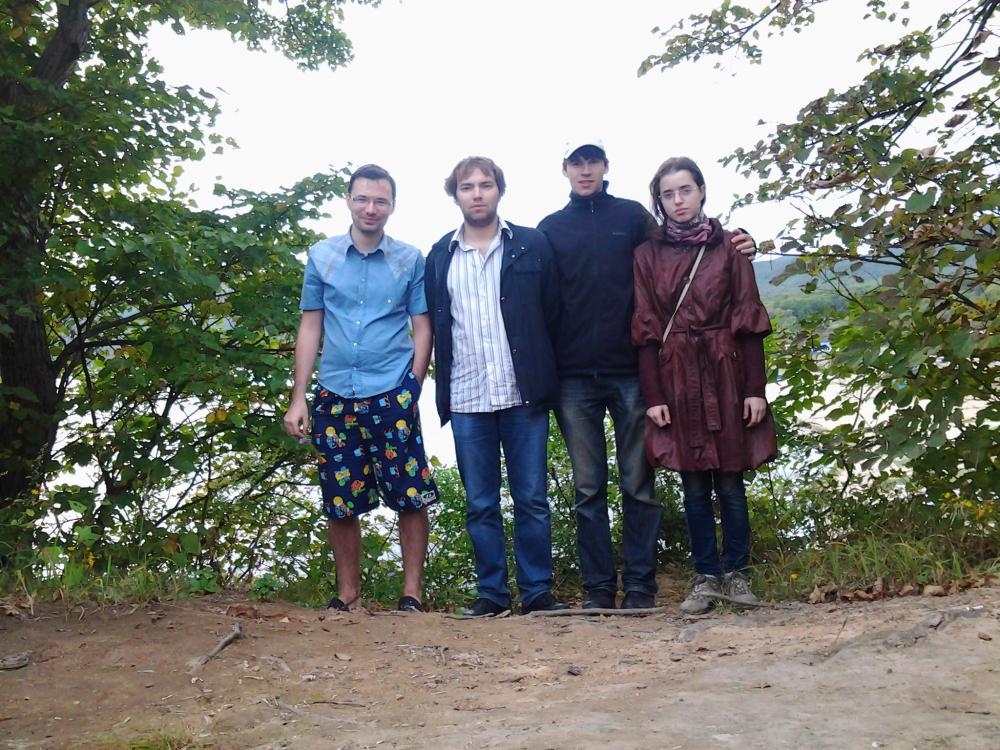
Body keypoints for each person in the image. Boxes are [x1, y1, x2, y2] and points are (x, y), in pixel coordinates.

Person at [537, 139, 756, 610]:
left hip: (633, 371)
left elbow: (687, 252)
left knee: (639, 485)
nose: (585, 169)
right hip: (573, 376)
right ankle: (599, 589)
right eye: (577, 162)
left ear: (605, 166)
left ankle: (641, 586)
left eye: (593, 161)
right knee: (587, 489)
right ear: (565, 169)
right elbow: (538, 296)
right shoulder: (550, 229)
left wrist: (741, 241)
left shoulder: (633, 216)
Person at [283, 164, 438, 614]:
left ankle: (412, 593)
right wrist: (299, 396)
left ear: (392, 205)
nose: (371, 208)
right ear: (349, 200)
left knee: (410, 493)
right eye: (363, 199)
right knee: (340, 499)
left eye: (380, 200)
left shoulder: (409, 259)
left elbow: (422, 326)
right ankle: (348, 593)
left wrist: (413, 387)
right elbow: (310, 325)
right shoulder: (322, 256)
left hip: (391, 391)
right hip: (334, 393)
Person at [631, 156, 777, 615]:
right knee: (693, 485)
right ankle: (705, 576)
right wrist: (654, 396)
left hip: (725, 372)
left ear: (701, 192)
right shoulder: (646, 255)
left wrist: (755, 389)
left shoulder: (731, 247)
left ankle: (737, 573)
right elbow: (646, 327)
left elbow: (748, 319)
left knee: (730, 481)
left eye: (685, 190)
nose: (678, 200)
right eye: (668, 194)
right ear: (659, 201)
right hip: (676, 375)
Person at [425, 156, 568, 616]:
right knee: (480, 503)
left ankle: (537, 592)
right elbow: (435, 324)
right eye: (467, 187)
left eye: (485, 185)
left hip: (521, 392)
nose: (477, 194)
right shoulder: (440, 255)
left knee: (532, 499)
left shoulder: (530, 244)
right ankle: (492, 594)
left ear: (499, 191)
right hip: (467, 396)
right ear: (455, 195)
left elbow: (553, 312)